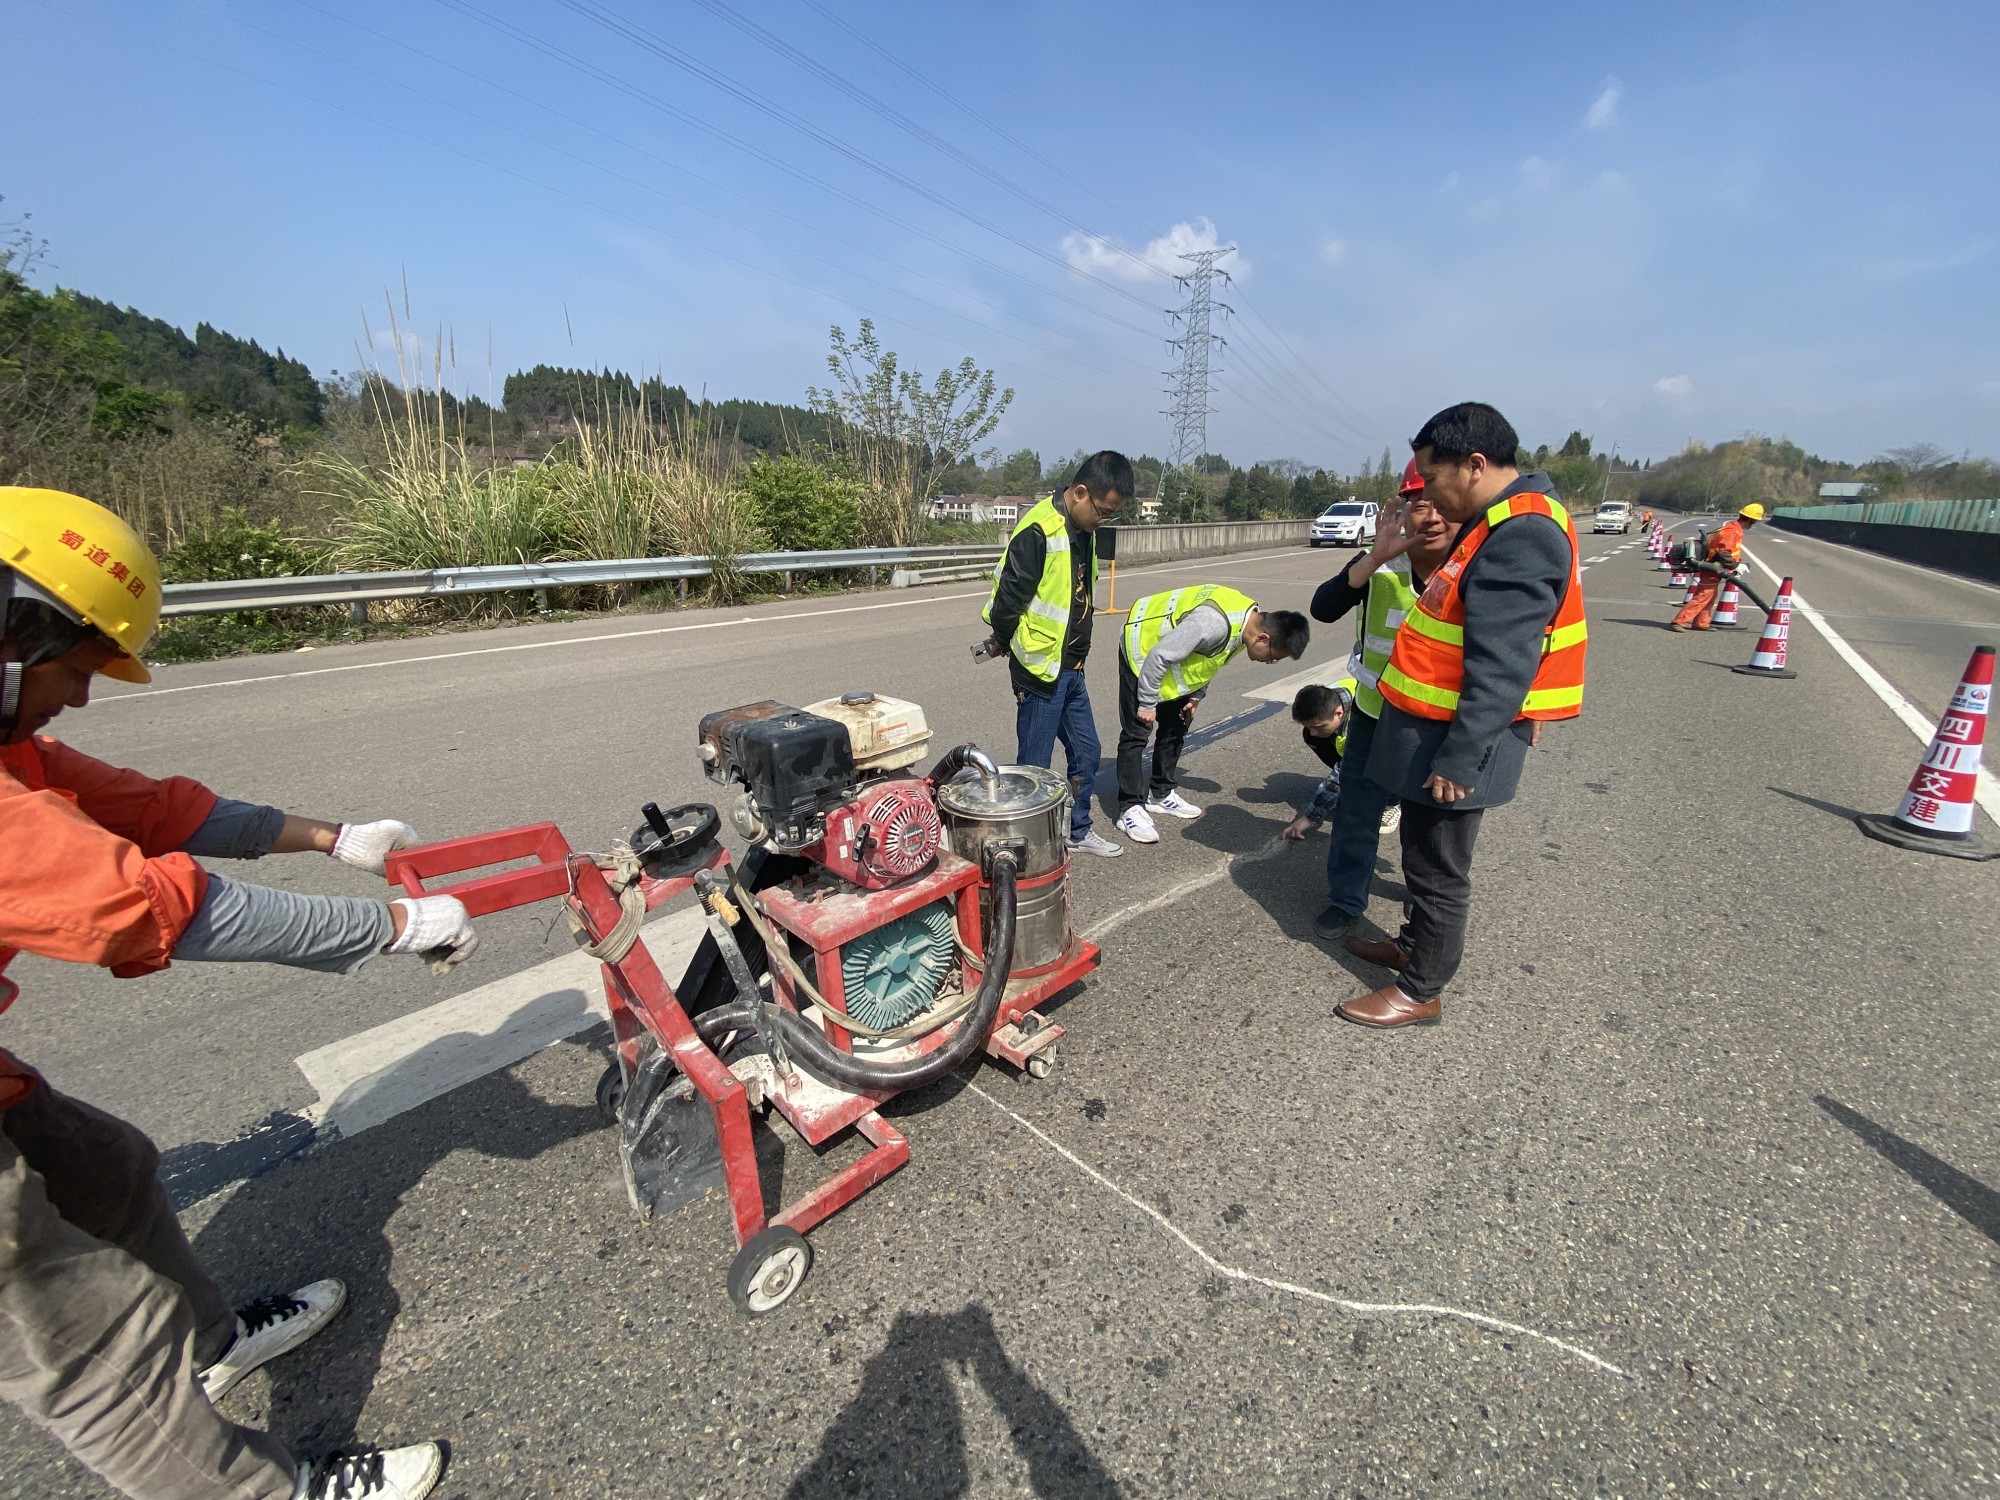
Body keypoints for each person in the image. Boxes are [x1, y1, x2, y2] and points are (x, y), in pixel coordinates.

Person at [0, 488, 471, 1500]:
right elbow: (146, 905)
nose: (79, 698)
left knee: (108, 1172)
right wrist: (392, 927)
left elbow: (150, 809)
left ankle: (211, 1344)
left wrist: (332, 839)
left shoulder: (9, 741)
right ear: (13, 630)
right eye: (77, 668)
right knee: (93, 1339)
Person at [1336, 404, 1586, 1029]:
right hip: (1438, 725)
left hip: (1455, 740)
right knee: (1423, 856)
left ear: (1474, 465)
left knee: (1436, 868)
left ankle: (1420, 990)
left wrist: (1460, 757)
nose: (1429, 494)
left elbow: (1501, 664)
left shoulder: (1522, 533)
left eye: (1432, 476)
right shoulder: (1502, 518)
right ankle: (1412, 946)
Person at [1298, 459, 1455, 938]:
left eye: (1442, 504)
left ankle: (1424, 909)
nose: (1431, 516)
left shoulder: (1472, 563)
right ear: (1402, 509)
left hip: (1436, 721)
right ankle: (1346, 900)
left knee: (1429, 827)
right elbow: (1323, 608)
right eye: (1419, 504)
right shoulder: (1380, 561)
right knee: (1356, 814)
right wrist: (1371, 561)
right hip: (1372, 712)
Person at [981, 452, 1128, 858]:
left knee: (1088, 752)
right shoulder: (1039, 530)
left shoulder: (1084, 530)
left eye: (1111, 514)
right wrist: (1007, 642)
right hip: (1040, 670)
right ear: (1080, 493)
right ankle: (1025, 851)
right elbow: (1008, 602)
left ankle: (1077, 831)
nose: (1103, 520)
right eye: (1102, 511)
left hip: (1072, 669)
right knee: (1034, 768)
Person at [1113, 586, 1310, 845]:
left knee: (1176, 724)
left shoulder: (1247, 624)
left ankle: (1160, 794)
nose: (1268, 662)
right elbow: (1158, 656)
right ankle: (1129, 808)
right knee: (1137, 732)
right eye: (1273, 658)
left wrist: (1196, 695)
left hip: (1171, 658)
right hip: (1142, 653)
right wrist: (1148, 704)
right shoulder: (1213, 624)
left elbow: (1212, 659)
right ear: (1263, 638)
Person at [1279, 679, 1398, 844]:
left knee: (1379, 762)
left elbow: (1341, 772)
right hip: (1360, 729)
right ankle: (1357, 779)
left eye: (1319, 726)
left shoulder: (1358, 724)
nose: (1314, 732)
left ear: (1339, 713)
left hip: (1395, 744)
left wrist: (1310, 817)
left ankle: (1392, 802)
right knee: (1313, 738)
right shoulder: (1327, 698)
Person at [1670, 502, 1764, 631]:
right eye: (1754, 521)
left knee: (1709, 596)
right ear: (1750, 520)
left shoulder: (1732, 528)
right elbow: (1723, 553)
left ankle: (1701, 623)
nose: (1753, 524)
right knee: (1703, 596)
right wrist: (1736, 566)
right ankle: (1679, 622)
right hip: (1712, 568)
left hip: (1715, 568)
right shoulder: (1732, 531)